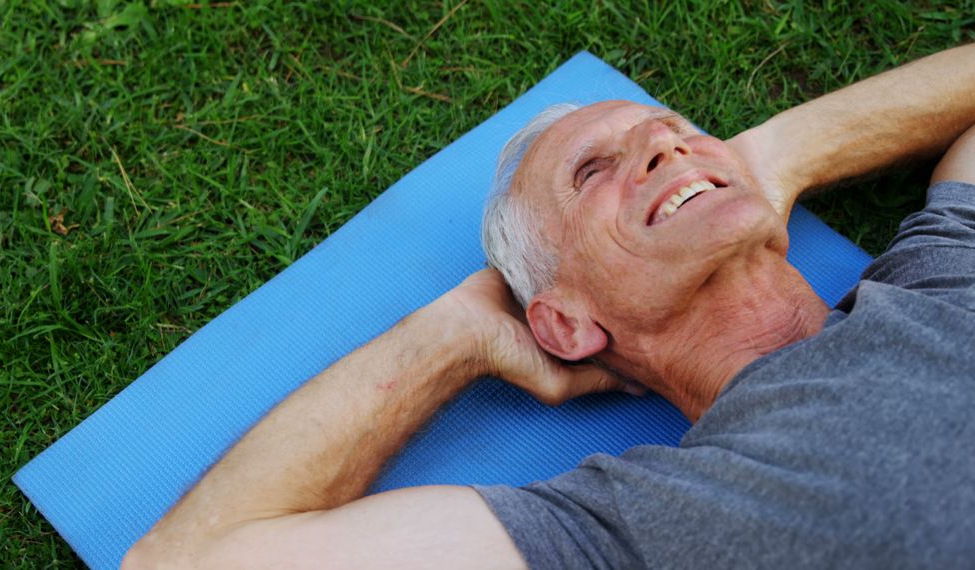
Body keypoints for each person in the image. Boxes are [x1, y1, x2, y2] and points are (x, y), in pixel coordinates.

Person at [122, 44, 975, 569]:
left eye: (676, 128)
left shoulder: (942, 276)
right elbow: (184, 564)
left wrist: (778, 153)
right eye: (592, 172)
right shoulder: (643, 528)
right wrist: (456, 332)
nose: (661, 141)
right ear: (566, 323)